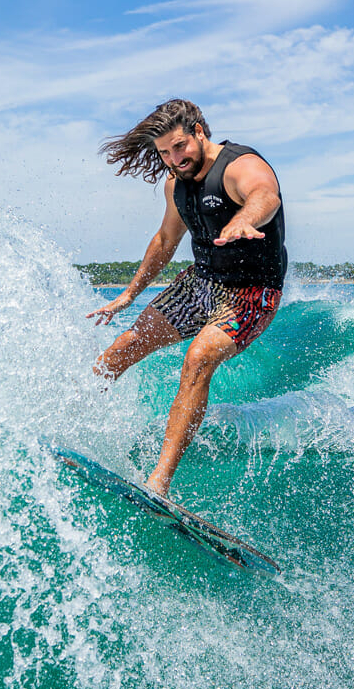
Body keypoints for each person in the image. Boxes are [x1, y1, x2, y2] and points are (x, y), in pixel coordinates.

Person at [87, 99, 287, 497]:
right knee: (121, 350)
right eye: (164, 153)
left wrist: (244, 220)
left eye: (179, 147)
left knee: (198, 358)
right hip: (201, 283)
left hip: (251, 293)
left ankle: (158, 483)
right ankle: (71, 422)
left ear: (199, 131)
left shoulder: (238, 166)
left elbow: (265, 196)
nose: (174, 159)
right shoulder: (175, 183)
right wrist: (129, 294)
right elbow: (165, 240)